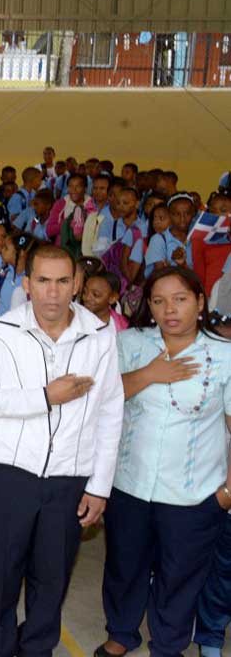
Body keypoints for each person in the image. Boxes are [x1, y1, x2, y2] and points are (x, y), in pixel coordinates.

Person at [0, 242, 124, 657]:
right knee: (1, 572)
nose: (52, 292)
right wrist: (44, 396)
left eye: (62, 281)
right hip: (13, 473)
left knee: (51, 575)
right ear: (27, 284)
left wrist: (100, 486)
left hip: (71, 479)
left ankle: (38, 648)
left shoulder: (100, 336)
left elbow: (110, 412)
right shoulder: (5, 331)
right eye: (42, 281)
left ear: (77, 284)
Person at [95, 266, 231, 657]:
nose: (169, 309)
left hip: (193, 493)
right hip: (130, 483)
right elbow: (102, 400)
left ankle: (168, 645)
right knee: (124, 565)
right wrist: (151, 374)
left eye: (180, 299)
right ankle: (121, 633)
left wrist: (226, 492)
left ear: (201, 303)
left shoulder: (223, 356)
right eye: (158, 300)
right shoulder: (131, 343)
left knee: (180, 575)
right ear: (148, 306)